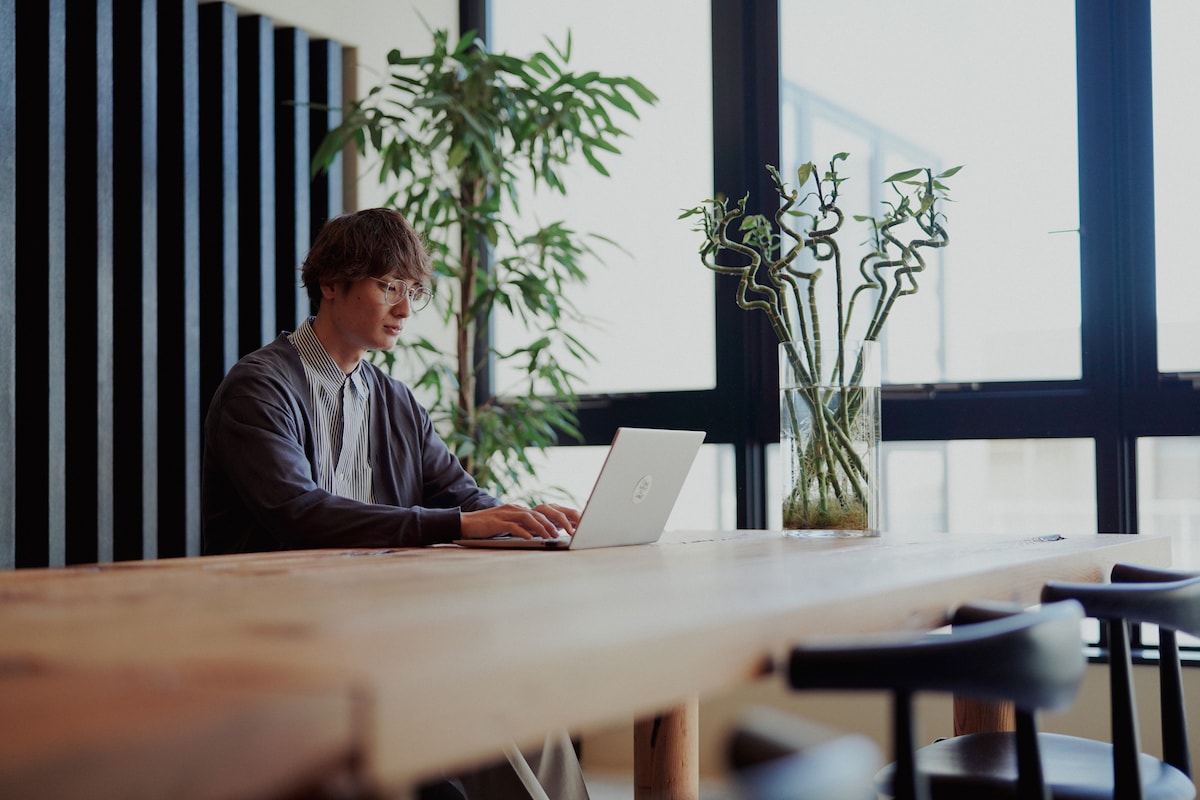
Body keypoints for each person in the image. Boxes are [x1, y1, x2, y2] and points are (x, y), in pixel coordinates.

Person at [201, 207, 588, 800]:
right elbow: (300, 513)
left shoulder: (392, 399)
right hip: (282, 639)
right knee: (481, 704)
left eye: (413, 291)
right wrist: (460, 524)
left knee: (522, 702)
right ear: (331, 285)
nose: (406, 310)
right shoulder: (260, 387)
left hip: (378, 630)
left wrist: (529, 523)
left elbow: (462, 496)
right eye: (388, 288)